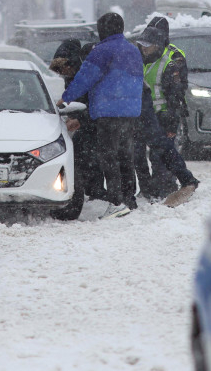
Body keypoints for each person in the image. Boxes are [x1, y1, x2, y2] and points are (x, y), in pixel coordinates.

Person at [58, 12, 143, 219]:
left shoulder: (101, 51)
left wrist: (66, 98)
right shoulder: (133, 50)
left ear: (102, 30)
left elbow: (85, 77)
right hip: (130, 112)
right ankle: (129, 198)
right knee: (125, 156)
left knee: (109, 158)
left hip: (108, 112)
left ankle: (116, 203)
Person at [135, 19, 200, 201]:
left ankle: (165, 188)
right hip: (142, 114)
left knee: (160, 155)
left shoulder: (173, 58)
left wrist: (171, 119)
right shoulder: (140, 55)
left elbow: (176, 93)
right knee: (138, 154)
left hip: (163, 114)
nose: (144, 47)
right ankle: (147, 190)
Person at [49, 40, 107, 220]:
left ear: (73, 63)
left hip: (99, 120)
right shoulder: (72, 77)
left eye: (64, 69)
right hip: (88, 120)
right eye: (59, 71)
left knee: (92, 154)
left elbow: (96, 103)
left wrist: (80, 120)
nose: (63, 74)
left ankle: (97, 192)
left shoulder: (89, 75)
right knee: (83, 153)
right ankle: (92, 191)